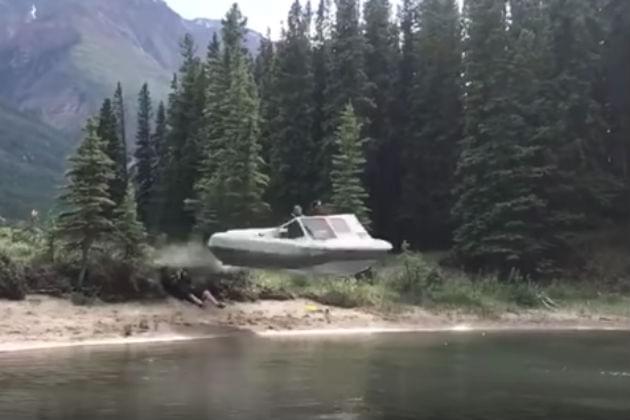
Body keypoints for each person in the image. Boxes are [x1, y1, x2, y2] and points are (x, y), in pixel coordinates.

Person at [161, 268, 225, 309]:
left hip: (190, 291)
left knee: (206, 292)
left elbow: (189, 282)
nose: (186, 274)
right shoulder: (170, 280)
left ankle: (217, 304)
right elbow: (171, 285)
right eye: (184, 273)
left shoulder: (185, 279)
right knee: (189, 294)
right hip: (183, 294)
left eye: (186, 273)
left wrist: (180, 275)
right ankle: (200, 303)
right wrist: (177, 277)